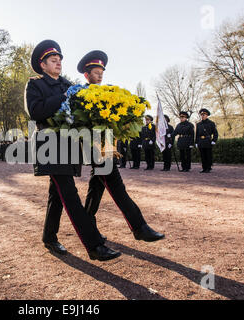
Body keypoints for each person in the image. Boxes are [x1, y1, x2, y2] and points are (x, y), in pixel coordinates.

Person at [26, 40, 121, 261]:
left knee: (56, 195)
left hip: (69, 144)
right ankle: (94, 246)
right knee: (69, 195)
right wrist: (63, 97)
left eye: (59, 59)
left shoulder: (68, 84)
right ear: (43, 65)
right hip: (50, 147)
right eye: (53, 60)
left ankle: (49, 237)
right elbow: (35, 111)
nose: (58, 62)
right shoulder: (35, 85)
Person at [78, 50, 165, 245]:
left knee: (96, 187)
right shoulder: (80, 95)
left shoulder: (109, 93)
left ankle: (87, 225)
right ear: (86, 75)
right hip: (94, 148)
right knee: (117, 186)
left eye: (102, 71)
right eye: (95, 71)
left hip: (108, 146)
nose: (100, 75)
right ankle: (139, 227)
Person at [195, 108, 218, 173]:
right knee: (202, 155)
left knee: (208, 155)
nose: (202, 116)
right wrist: (196, 142)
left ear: (207, 115)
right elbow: (197, 134)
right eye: (201, 115)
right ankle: (204, 168)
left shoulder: (211, 123)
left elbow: (215, 133)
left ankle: (208, 167)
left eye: (204, 114)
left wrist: (214, 140)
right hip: (201, 141)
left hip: (207, 141)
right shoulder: (199, 124)